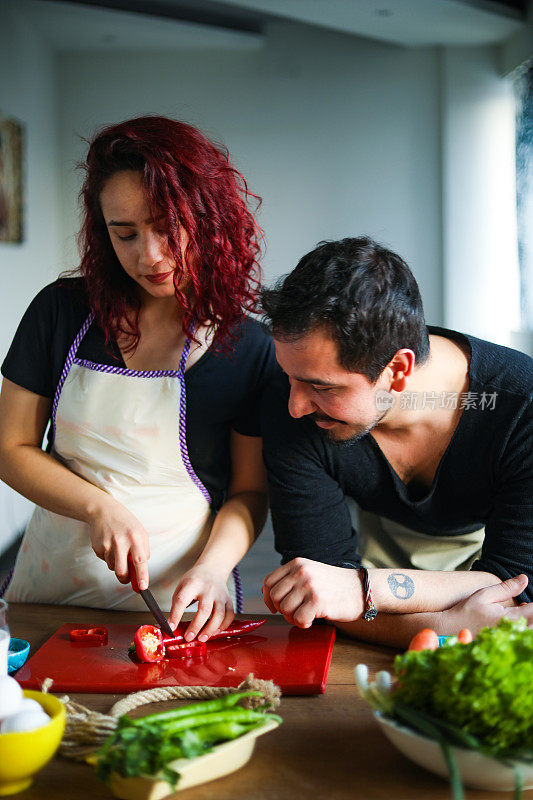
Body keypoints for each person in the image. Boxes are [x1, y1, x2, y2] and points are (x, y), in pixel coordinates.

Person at [0, 115, 276, 642]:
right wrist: (98, 506)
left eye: (167, 229)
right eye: (124, 233)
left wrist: (215, 569)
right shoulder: (60, 312)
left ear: (209, 219)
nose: (148, 256)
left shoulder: (249, 349)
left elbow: (248, 493)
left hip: (177, 605)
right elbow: (8, 446)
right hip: (49, 594)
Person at [260, 236, 533, 647]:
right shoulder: (292, 406)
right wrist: (441, 627)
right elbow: (315, 590)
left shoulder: (520, 407)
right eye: (289, 377)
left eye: (321, 386)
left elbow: (514, 587)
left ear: (398, 370)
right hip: (376, 567)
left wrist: (362, 590)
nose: (296, 405)